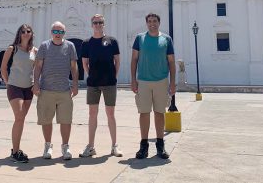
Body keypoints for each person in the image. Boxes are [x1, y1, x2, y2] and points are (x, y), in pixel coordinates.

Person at [131, 13, 176, 159]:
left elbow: (171, 62)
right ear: (146, 23)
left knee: (159, 113)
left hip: (161, 81)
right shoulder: (140, 38)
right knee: (144, 113)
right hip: (143, 81)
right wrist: (133, 79)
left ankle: (160, 146)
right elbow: (134, 60)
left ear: (159, 22)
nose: (152, 24)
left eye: (155, 21)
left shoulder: (166, 39)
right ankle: (143, 146)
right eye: (149, 21)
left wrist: (173, 82)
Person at [33, 21, 78, 160]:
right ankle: (48, 145)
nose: (58, 34)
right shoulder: (44, 46)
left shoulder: (70, 46)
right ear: (51, 32)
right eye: (55, 31)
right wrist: (36, 83)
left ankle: (65, 146)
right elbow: (38, 66)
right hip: (46, 89)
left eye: (61, 32)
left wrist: (75, 84)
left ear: (64, 33)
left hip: (64, 89)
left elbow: (74, 67)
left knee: (66, 120)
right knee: (46, 119)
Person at [79, 14, 123, 158]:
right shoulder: (86, 43)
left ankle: (114, 146)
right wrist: (91, 74)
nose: (98, 25)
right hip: (93, 84)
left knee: (111, 114)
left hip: (109, 83)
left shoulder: (112, 41)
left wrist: (113, 76)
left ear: (104, 24)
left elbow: (117, 61)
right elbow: (85, 63)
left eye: (100, 22)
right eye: (95, 22)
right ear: (91, 25)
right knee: (92, 114)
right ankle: (91, 146)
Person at [0, 24, 37, 163]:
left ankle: (16, 149)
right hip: (15, 87)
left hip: (29, 88)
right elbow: (3, 68)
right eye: (23, 32)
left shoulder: (34, 51)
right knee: (19, 117)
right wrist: (8, 83)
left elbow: (38, 68)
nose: (26, 33)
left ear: (32, 34)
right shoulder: (12, 49)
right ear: (19, 34)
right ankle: (15, 152)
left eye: (28, 31)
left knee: (20, 119)